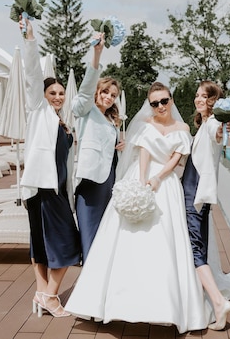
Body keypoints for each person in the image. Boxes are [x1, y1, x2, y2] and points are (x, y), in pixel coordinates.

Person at [65, 82, 211, 333]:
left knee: (164, 240)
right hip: (141, 178)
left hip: (166, 184)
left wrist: (158, 178)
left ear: (171, 100)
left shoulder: (183, 128)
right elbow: (143, 153)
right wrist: (142, 180)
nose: (160, 106)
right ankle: (114, 302)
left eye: (164, 101)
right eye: (154, 103)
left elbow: (176, 159)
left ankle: (165, 305)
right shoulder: (146, 125)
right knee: (126, 239)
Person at [20, 18, 81, 318]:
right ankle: (51, 296)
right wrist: (31, 40)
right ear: (43, 95)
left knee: (42, 244)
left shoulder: (61, 122)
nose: (58, 96)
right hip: (43, 189)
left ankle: (42, 293)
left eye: (61, 93)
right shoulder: (38, 111)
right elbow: (33, 75)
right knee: (68, 242)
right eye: (52, 92)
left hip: (52, 190)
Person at [181, 80, 230, 331]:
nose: (198, 99)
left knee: (194, 250)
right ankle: (209, 303)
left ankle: (217, 301)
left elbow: (224, 138)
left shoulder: (213, 124)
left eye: (204, 96)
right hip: (198, 195)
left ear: (213, 101)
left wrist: (225, 128)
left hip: (194, 195)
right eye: (197, 95)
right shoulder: (204, 124)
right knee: (198, 246)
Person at [72, 34, 124, 262]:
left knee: (105, 231)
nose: (109, 97)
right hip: (90, 181)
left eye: (113, 95)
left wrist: (117, 147)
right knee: (90, 232)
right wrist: (97, 54)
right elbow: (84, 91)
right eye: (105, 92)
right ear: (97, 91)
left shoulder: (111, 121)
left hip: (109, 181)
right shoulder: (85, 110)